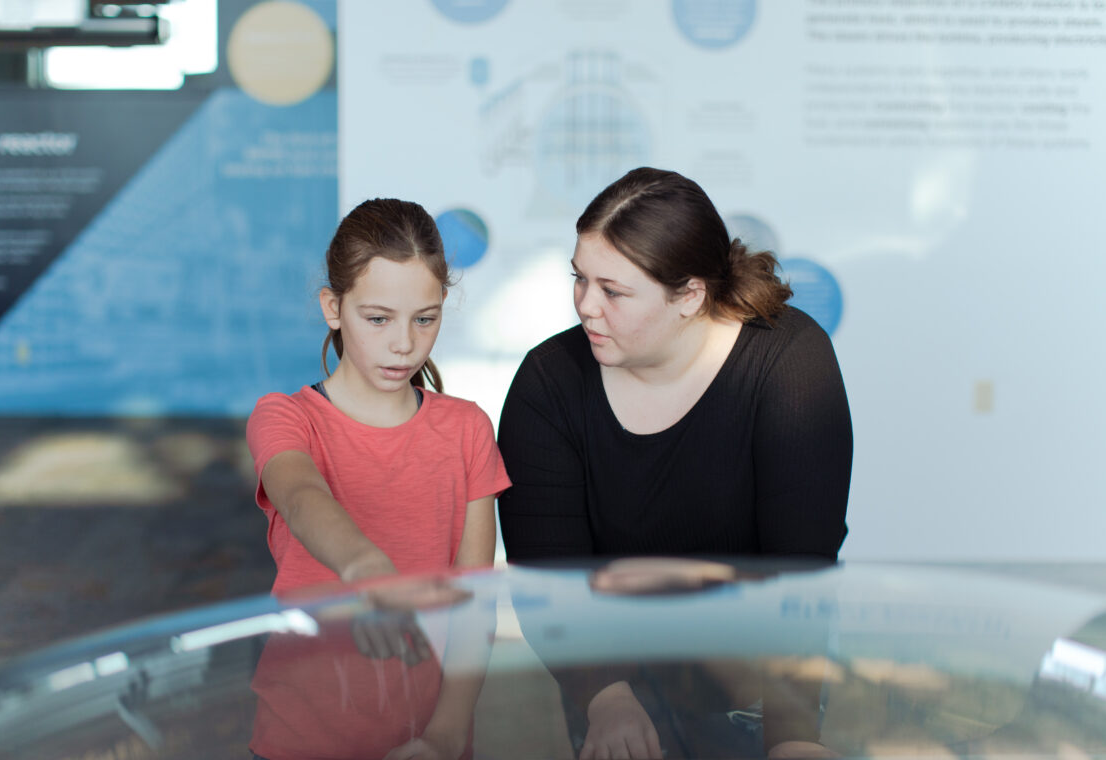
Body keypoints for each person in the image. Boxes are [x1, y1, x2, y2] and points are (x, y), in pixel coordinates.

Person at [497, 167, 852, 758]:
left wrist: (792, 737)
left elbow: (802, 572)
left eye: (613, 291)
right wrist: (605, 696)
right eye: (579, 279)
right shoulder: (548, 382)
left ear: (689, 295)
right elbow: (547, 574)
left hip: (760, 676)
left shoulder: (789, 362)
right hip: (602, 669)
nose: (586, 306)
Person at [246, 197, 512, 760]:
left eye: (425, 318)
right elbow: (299, 492)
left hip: (428, 739)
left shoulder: (466, 429)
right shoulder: (286, 416)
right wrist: (366, 567)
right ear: (332, 307)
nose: (403, 343)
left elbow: (475, 605)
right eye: (378, 319)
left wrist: (445, 734)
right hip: (299, 739)